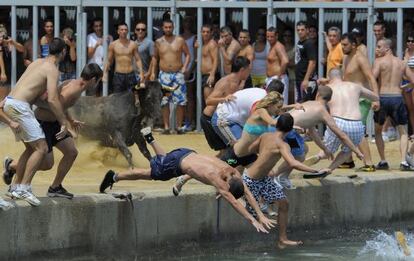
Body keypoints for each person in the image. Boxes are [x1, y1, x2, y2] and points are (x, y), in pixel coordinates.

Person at [99, 127, 276, 234]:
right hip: (176, 162)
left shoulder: (233, 173)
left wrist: (260, 214)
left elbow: (246, 192)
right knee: (149, 174)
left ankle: (151, 139)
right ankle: (115, 176)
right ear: (227, 188)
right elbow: (236, 203)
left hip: (185, 152)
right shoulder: (220, 183)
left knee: (164, 161)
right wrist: (252, 220)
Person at [2, 63, 103, 199]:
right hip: (44, 124)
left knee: (71, 152)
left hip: (54, 123)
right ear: (93, 80)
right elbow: (52, 104)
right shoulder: (73, 89)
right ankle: (13, 167)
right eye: (98, 81)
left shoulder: (75, 85)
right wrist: (65, 124)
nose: (98, 84)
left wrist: (71, 120)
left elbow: (61, 105)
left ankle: (55, 187)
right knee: (46, 164)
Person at [0, 38, 69, 206]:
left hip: (10, 102)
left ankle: (15, 187)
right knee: (42, 148)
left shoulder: (37, 62)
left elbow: (32, 92)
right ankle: (24, 187)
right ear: (63, 52)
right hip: (20, 107)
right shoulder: (52, 69)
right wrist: (63, 122)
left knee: (31, 149)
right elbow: (52, 99)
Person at [245, 113, 330, 248]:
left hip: (263, 178)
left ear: (277, 125)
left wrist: (263, 161)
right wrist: (316, 171)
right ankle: (250, 243)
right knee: (252, 212)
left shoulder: (265, 136)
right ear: (290, 129)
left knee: (284, 204)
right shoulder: (283, 145)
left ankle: (282, 239)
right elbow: (293, 163)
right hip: (251, 181)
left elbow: (250, 149)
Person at [274, 83, 365, 189]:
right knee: (299, 156)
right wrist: (357, 151)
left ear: (317, 95)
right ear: (329, 100)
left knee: (305, 149)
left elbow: (312, 133)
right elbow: (342, 135)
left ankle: (283, 177)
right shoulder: (323, 112)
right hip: (287, 130)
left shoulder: (309, 103)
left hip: (278, 123)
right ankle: (274, 177)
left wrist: (325, 149)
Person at [306, 70, 376, 172]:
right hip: (356, 123)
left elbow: (318, 106)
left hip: (337, 121)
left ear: (329, 78)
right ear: (342, 76)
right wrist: (358, 95)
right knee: (348, 150)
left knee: (328, 149)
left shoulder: (327, 88)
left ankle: (319, 156)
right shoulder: (354, 86)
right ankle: (329, 169)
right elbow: (375, 97)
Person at [372, 38, 414, 170]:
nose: (377, 49)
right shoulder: (401, 63)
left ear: (387, 48)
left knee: (378, 132)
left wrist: (374, 97)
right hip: (397, 98)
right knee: (403, 132)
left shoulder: (379, 62)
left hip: (383, 97)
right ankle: (403, 162)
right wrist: (405, 86)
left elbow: (372, 78)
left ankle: (383, 161)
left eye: (379, 47)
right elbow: (413, 80)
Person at [340, 32, 380, 171]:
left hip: (362, 99)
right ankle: (348, 160)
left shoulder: (360, 58)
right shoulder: (346, 58)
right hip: (349, 99)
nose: (342, 47)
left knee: (357, 130)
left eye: (345, 45)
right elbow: (346, 78)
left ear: (354, 45)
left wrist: (376, 98)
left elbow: (371, 78)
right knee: (346, 129)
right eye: (342, 45)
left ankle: (368, 163)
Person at [200, 56, 250, 154]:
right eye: (248, 69)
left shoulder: (239, 81)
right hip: (209, 119)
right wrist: (224, 99)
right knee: (228, 151)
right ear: (242, 70)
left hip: (221, 118)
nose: (249, 72)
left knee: (228, 151)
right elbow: (209, 101)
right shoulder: (225, 82)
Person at [150, 19, 191, 135]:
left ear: (173, 27)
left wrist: (185, 67)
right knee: (164, 101)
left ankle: (178, 127)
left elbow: (188, 54)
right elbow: (154, 57)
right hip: (164, 74)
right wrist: (153, 72)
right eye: (166, 27)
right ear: (163, 28)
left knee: (180, 101)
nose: (168, 29)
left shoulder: (180, 40)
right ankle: (167, 127)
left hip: (177, 74)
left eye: (170, 27)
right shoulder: (158, 42)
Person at [103, 23, 144, 106]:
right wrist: (104, 73)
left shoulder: (133, 44)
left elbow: (138, 59)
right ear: (118, 31)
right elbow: (109, 60)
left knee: (131, 99)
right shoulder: (113, 45)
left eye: (125, 30)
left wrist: (141, 73)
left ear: (128, 31)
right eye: (121, 30)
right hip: (118, 75)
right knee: (117, 99)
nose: (124, 31)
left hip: (130, 74)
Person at [295, 21, 317, 102]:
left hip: (306, 80)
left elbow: (312, 62)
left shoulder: (309, 43)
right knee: (299, 102)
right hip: (299, 79)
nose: (300, 32)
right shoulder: (300, 42)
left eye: (302, 30)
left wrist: (306, 79)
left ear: (307, 30)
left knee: (305, 105)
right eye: (298, 30)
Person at [265, 27, 289, 103]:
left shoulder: (278, 46)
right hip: (272, 79)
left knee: (280, 104)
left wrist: (279, 77)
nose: (269, 39)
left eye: (271, 37)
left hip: (278, 79)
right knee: (272, 104)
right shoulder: (272, 46)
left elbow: (285, 61)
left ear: (276, 36)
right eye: (268, 36)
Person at [198, 24, 219, 102]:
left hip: (209, 75)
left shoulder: (212, 44)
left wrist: (212, 75)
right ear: (200, 32)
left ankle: (212, 114)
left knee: (209, 101)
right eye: (203, 32)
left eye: (207, 32)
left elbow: (216, 60)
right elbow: (197, 59)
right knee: (206, 100)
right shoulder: (202, 44)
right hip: (203, 75)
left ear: (211, 33)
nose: (205, 34)